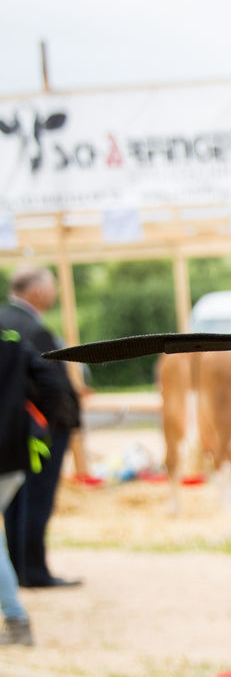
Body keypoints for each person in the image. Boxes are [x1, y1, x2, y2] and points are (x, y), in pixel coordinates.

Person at [1, 268, 83, 588]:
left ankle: (17, 568)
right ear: (37, 292)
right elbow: (52, 383)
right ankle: (33, 571)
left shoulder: (3, 320)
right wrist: (56, 422)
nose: (55, 295)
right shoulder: (33, 328)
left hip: (9, 429)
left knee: (15, 500)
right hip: (39, 430)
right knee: (37, 498)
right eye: (51, 288)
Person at [0, 326, 75, 644]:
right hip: (13, 453)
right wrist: (33, 422)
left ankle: (16, 619)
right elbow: (52, 384)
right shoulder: (12, 342)